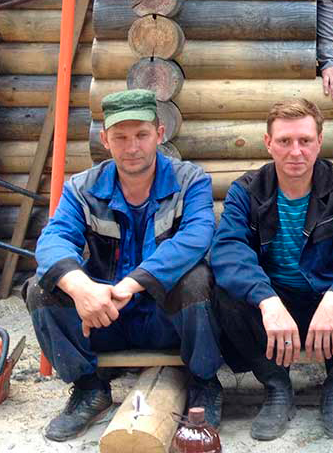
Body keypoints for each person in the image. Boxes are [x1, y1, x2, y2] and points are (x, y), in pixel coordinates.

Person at [25, 89, 222, 441]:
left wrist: (130, 284)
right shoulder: (82, 188)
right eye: (120, 137)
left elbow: (196, 237)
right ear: (105, 140)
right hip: (102, 317)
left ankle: (203, 383)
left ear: (159, 134)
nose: (132, 147)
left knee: (197, 279)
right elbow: (53, 240)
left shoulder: (190, 180)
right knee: (42, 288)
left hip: (165, 319)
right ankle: (89, 389)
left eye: (141, 135)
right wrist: (82, 289)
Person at [210, 98, 333, 441]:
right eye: (285, 141)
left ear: (319, 142)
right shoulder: (246, 190)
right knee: (226, 292)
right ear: (268, 143)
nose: (296, 151)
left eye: (305, 140)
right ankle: (276, 387)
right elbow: (227, 249)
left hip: (327, 300)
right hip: (276, 302)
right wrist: (267, 300)